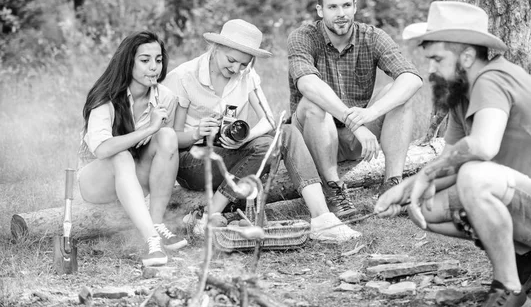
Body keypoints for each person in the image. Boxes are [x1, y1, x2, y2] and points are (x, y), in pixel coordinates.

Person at [375, 1, 531, 307]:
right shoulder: (459, 95)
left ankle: (508, 288)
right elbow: (450, 162)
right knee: (426, 206)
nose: (430, 70)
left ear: (467, 56)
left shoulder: (493, 79)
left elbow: (482, 146)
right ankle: (529, 256)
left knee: (474, 176)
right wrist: (405, 190)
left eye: (438, 59)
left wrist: (425, 175)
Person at [162, 19, 361, 242]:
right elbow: (166, 140)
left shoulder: (246, 76)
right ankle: (210, 213)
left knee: (286, 133)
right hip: (193, 160)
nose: (236, 69)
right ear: (216, 48)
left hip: (230, 154)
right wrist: (197, 133)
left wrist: (246, 137)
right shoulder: (184, 76)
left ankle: (322, 219)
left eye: (244, 64)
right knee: (269, 144)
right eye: (231, 61)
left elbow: (269, 119)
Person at [287, 0, 423, 219]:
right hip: (312, 134)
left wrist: (371, 114)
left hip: (355, 136)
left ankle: (392, 187)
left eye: (346, 5)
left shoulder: (372, 36)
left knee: (400, 93)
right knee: (313, 102)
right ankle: (334, 191)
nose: (341, 13)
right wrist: (356, 123)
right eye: (332, 6)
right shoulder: (303, 36)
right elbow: (307, 83)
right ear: (320, 10)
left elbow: (412, 78)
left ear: (355, 7)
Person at [78, 31, 188, 267]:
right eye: (145, 60)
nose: (154, 68)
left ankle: (157, 222)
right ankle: (151, 239)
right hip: (96, 182)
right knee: (120, 155)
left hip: (134, 179)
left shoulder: (164, 97)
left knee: (167, 136)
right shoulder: (104, 97)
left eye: (158, 60)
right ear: (128, 62)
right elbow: (102, 150)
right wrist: (148, 129)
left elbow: (166, 145)